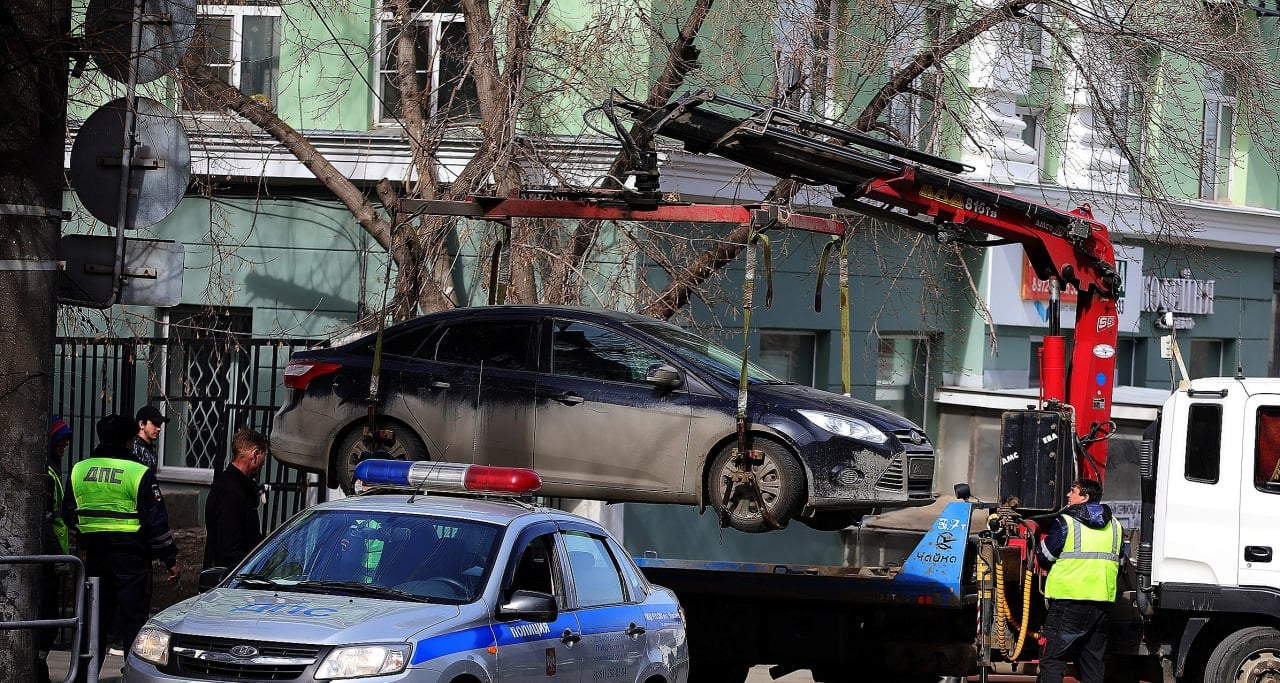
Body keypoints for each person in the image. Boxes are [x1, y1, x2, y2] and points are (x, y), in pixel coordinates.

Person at [64, 414, 180, 679]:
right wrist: (170, 559)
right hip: (132, 560)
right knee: (133, 626)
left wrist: (92, 530)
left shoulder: (80, 469)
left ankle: (83, 676)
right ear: (129, 442)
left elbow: (68, 513)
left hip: (94, 558)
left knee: (93, 622)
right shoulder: (138, 472)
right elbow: (156, 524)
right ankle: (133, 676)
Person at [1035, 478, 1123, 683]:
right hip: (1101, 603)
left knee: (1052, 660)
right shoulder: (1116, 525)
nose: (1068, 495)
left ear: (1084, 497)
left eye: (1072, 491)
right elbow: (1119, 562)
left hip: (1068, 601)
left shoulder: (1066, 522)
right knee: (1092, 663)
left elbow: (1044, 556)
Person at [36, 416, 73, 683]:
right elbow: (46, 519)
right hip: (48, 557)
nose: (66, 444)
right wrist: (56, 556)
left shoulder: (51, 470)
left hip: (53, 554)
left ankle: (40, 663)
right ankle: (38, 665)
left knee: (50, 614)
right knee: (46, 613)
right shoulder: (46, 473)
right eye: (62, 439)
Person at [203, 428, 270, 570]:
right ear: (255, 454)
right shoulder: (230, 492)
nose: (261, 467)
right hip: (231, 576)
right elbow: (229, 547)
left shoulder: (231, 485)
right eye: (262, 462)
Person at [131, 405, 169, 472]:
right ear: (141, 424)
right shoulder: (133, 449)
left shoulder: (150, 449)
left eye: (159, 424)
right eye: (155, 424)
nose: (159, 428)